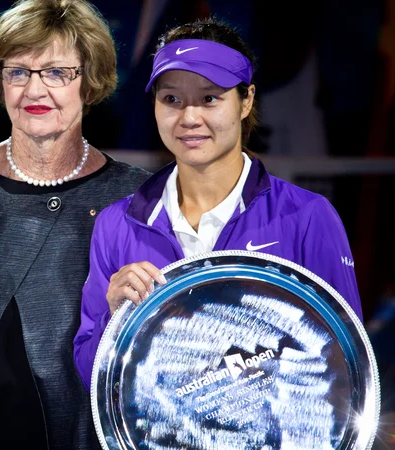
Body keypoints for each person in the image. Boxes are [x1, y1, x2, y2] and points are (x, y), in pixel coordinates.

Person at [73, 16, 364, 391]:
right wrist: (115, 319)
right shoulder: (118, 224)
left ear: (246, 101)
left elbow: (348, 366)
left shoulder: (307, 216)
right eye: (171, 99)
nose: (189, 118)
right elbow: (88, 374)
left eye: (210, 98)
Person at [0, 1, 151, 448]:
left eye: (56, 73)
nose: (34, 90)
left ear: (89, 81)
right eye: (18, 72)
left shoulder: (137, 200)